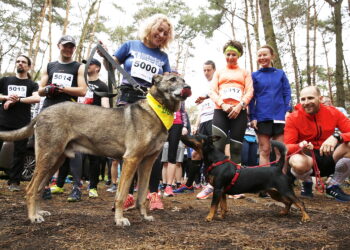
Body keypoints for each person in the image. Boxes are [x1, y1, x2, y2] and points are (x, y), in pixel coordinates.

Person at [100, 13, 174, 210]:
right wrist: (105, 55)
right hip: (128, 99)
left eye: (165, 33)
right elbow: (110, 65)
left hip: (153, 105)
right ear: (150, 28)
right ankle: (126, 196)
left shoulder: (163, 57)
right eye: (159, 30)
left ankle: (153, 194)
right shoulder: (130, 45)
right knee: (130, 150)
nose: (161, 35)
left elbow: (167, 81)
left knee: (153, 149)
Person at [38, 35, 87, 201]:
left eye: (71, 47)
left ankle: (76, 187)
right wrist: (48, 89)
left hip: (69, 112)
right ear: (59, 46)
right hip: (49, 110)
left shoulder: (78, 67)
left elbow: (82, 90)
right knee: (46, 148)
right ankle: (43, 185)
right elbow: (39, 90)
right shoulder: (50, 65)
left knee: (73, 149)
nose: (68, 49)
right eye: (66, 46)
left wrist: (62, 88)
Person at [285, 86, 350, 201]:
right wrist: (300, 146)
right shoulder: (293, 117)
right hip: (308, 158)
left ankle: (333, 186)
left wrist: (337, 136)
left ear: (320, 99)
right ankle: (307, 182)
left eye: (310, 98)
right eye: (303, 99)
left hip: (330, 155)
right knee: (297, 161)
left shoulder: (333, 112)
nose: (306, 102)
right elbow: (287, 147)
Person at [174, 60, 216, 199]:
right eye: (204, 70)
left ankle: (214, 184)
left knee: (212, 154)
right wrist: (196, 124)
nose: (206, 72)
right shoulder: (203, 87)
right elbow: (201, 109)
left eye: (208, 70)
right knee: (195, 155)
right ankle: (189, 185)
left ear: (214, 70)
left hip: (214, 120)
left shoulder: (218, 82)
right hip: (203, 121)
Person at [209, 40, 254, 164]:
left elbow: (250, 91)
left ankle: (236, 179)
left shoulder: (244, 72)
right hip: (220, 110)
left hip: (239, 111)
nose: (230, 57)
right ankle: (217, 180)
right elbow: (212, 91)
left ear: (238, 55)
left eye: (233, 54)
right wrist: (222, 104)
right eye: (228, 54)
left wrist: (240, 106)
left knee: (236, 148)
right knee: (218, 147)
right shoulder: (219, 72)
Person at [0, 55, 40, 191]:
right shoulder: (5, 80)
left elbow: (37, 98)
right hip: (3, 120)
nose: (20, 63)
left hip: (22, 123)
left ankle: (14, 182)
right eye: (18, 61)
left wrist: (18, 99)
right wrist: (6, 97)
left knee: (19, 152)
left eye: (23, 62)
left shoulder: (32, 84)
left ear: (28, 66)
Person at [249, 45, 291, 166]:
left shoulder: (280, 74)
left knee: (280, 151)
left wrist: (288, 110)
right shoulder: (254, 75)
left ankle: (282, 181)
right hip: (262, 117)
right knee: (265, 150)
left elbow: (287, 93)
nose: (262, 57)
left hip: (280, 116)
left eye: (265, 54)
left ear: (272, 56)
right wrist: (252, 117)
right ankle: (266, 183)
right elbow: (251, 97)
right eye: (259, 55)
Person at [82, 58, 110, 198]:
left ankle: (93, 187)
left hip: (95, 126)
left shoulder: (102, 86)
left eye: (90, 63)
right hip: (77, 123)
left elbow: (106, 107)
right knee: (73, 155)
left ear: (98, 68)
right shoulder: (81, 82)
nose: (87, 65)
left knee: (94, 157)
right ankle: (61, 183)